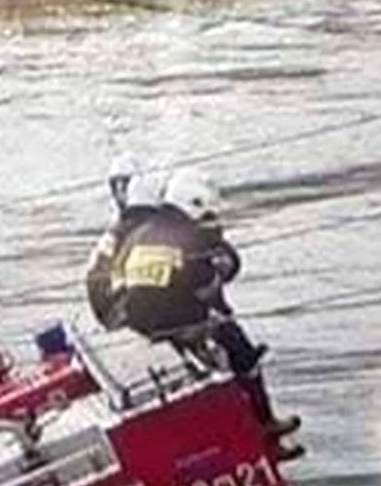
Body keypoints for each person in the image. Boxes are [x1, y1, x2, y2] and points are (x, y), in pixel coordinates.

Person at [85, 165, 302, 454]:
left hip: (136, 321)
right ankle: (263, 422)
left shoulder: (138, 232)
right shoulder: (186, 234)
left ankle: (242, 418)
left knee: (214, 333)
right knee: (236, 343)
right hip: (171, 320)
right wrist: (214, 301)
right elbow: (205, 283)